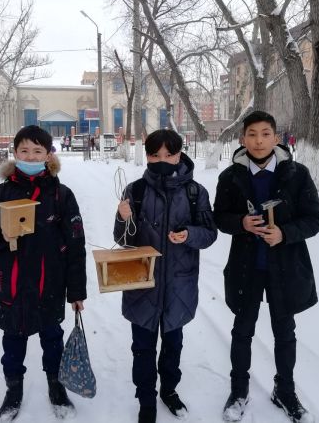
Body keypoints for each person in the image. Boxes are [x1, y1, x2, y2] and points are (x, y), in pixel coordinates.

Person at [213, 111, 319, 423]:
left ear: (276, 138)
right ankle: (239, 390)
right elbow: (219, 217)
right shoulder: (230, 177)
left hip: (284, 269)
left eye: (265, 134)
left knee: (284, 333)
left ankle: (284, 391)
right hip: (246, 267)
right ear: (242, 139)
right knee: (242, 330)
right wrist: (241, 223)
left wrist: (284, 233)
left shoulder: (296, 175)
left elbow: (315, 218)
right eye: (252, 134)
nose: (259, 141)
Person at [0, 125, 87, 421]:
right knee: (13, 341)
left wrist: (77, 292)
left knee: (52, 338)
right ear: (15, 153)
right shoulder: (2, 192)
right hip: (12, 285)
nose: (30, 156)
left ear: (49, 155)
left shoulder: (61, 195)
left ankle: (56, 387)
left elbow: (76, 245)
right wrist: (3, 236)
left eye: (38, 151)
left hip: (48, 284)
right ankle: (13, 391)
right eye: (24, 150)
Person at [114, 129, 217, 423]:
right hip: (142, 285)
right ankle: (146, 400)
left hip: (178, 286)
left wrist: (189, 235)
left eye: (169, 154)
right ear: (147, 156)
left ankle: (169, 391)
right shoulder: (135, 191)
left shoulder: (195, 192)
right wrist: (123, 218)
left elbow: (209, 234)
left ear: (179, 154)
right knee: (142, 348)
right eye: (155, 154)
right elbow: (122, 240)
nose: (162, 160)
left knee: (173, 345)